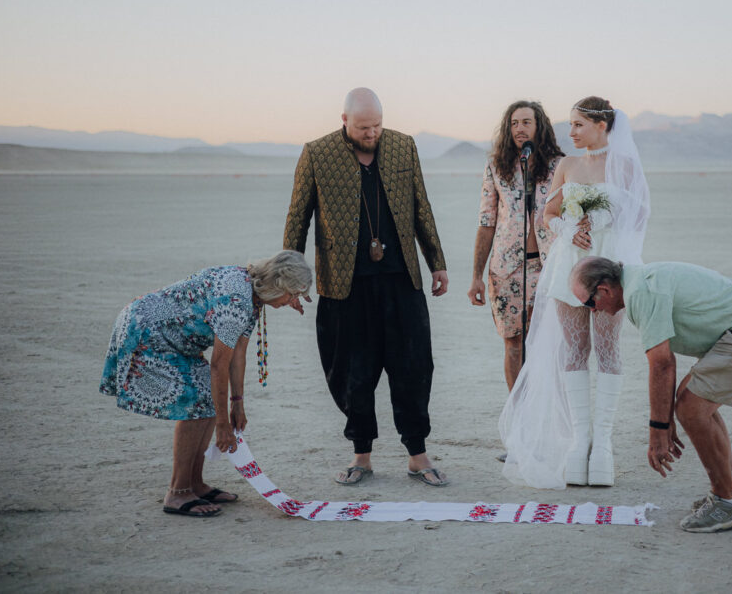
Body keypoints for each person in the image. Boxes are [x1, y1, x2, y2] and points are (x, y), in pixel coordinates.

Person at [283, 87, 450, 488]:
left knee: (413, 367)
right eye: (363, 127)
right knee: (352, 373)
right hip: (344, 284)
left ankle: (417, 456)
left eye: (377, 125)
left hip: (401, 279)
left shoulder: (403, 147)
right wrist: (289, 278)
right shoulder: (317, 153)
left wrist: (437, 263)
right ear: (345, 121)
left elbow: (421, 206)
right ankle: (362, 457)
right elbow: (297, 217)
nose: (372, 133)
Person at [569, 256, 732, 533]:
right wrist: (664, 419)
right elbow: (665, 364)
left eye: (589, 303)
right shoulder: (639, 281)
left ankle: (727, 501)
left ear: (604, 290)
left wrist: (658, 431)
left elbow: (662, 363)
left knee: (691, 410)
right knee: (690, 402)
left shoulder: (641, 293)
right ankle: (731, 491)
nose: (592, 311)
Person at [499, 97, 650, 488]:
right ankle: (579, 441)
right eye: (570, 125)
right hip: (568, 266)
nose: (572, 132)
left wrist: (601, 219)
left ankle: (603, 445)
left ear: (602, 126)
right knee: (574, 349)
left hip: (609, 267)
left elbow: (638, 217)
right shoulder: (567, 165)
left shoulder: (627, 167)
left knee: (608, 347)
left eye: (578, 125)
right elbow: (546, 214)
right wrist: (569, 228)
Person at [99, 250, 313, 517]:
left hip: (169, 336)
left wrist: (237, 404)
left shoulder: (251, 292)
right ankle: (177, 492)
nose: (293, 301)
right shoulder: (237, 300)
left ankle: (195, 484)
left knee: (206, 397)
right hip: (146, 333)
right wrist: (223, 424)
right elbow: (219, 365)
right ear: (278, 286)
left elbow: (238, 355)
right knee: (196, 400)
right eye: (292, 293)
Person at [467, 101, 564, 393]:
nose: (519, 128)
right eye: (514, 123)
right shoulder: (496, 166)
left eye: (526, 122)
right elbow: (486, 221)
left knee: (547, 343)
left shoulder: (560, 165)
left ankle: (544, 408)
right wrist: (476, 276)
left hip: (550, 266)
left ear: (539, 127)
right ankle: (518, 411)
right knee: (513, 343)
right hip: (506, 270)